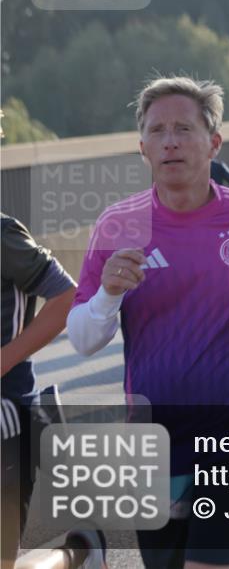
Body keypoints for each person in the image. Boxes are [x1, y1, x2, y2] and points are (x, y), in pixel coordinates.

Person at [67, 76, 229, 568]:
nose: (170, 141)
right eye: (157, 131)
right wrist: (107, 295)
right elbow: (82, 340)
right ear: (142, 147)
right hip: (153, 438)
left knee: (207, 560)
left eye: (184, 128)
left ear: (214, 142)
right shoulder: (118, 225)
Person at [1, 214, 79, 569]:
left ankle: (79, 551)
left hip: (6, 416)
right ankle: (81, 550)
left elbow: (67, 296)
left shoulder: (3, 235)